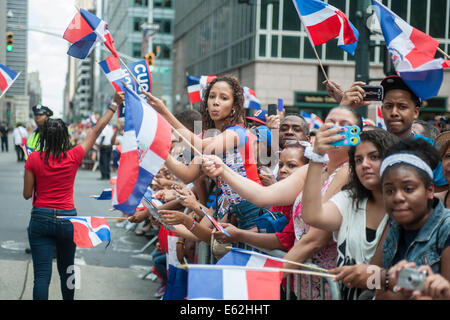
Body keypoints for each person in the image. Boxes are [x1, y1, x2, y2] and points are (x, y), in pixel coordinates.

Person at [22, 93, 122, 300]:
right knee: (67, 270)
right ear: (65, 137)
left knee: (41, 275)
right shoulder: (74, 155)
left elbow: (26, 194)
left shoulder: (33, 159)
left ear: (43, 137)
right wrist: (114, 105)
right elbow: (96, 130)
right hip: (68, 220)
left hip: (40, 218)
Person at [144, 75, 264, 233]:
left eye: (224, 98)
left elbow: (201, 147)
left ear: (234, 106)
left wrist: (165, 112)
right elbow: (187, 174)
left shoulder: (238, 132)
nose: (216, 102)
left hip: (254, 209)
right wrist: (158, 149)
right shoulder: (208, 135)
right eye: (212, 96)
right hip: (230, 208)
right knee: (206, 239)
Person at [301, 128, 398, 300]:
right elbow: (312, 216)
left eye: (374, 157)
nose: (365, 164)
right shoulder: (349, 200)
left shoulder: (408, 208)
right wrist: (316, 157)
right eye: (358, 160)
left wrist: (376, 278)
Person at [374, 139, 450, 300]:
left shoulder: (446, 228)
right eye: (389, 191)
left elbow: (444, 293)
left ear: (430, 190)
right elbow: (373, 283)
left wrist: (387, 280)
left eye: (408, 189)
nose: (398, 197)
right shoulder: (395, 222)